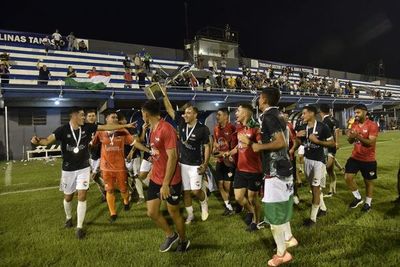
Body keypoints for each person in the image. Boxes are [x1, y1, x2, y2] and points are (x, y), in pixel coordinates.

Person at [30, 107, 135, 239]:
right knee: (68, 197)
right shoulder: (62, 130)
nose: (84, 118)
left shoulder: (88, 127)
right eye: (81, 115)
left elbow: (106, 127)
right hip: (68, 169)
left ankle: (79, 227)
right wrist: (37, 141)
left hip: (83, 167)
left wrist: (125, 125)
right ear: (73, 116)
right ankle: (69, 218)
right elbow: (46, 141)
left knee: (82, 195)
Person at [241, 87, 297, 266]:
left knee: (274, 216)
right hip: (284, 169)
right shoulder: (279, 115)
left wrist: (256, 146)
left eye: (259, 97)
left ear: (264, 99)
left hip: (275, 172)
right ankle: (289, 238)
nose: (258, 100)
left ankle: (282, 254)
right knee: (283, 207)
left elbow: (280, 142)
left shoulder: (269, 116)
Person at [141, 100, 190, 252]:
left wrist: (166, 184)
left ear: (146, 114)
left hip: (170, 181)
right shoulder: (152, 128)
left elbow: (173, 157)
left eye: (142, 112)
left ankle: (183, 241)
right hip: (156, 177)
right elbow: (157, 152)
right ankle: (171, 235)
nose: (142, 115)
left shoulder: (166, 128)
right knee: (152, 212)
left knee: (173, 212)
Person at [162, 88, 211, 224]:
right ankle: (190, 215)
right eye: (185, 112)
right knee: (186, 192)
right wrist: (165, 95)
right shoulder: (182, 122)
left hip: (196, 164)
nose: (185, 114)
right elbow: (170, 110)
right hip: (183, 163)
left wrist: (205, 164)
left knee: (196, 191)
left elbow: (207, 146)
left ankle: (204, 202)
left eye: (189, 113)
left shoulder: (203, 129)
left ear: (195, 115)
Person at [92, 110, 139, 222]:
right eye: (113, 117)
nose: (115, 119)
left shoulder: (122, 130)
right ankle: (113, 213)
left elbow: (134, 142)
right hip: (106, 167)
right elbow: (93, 144)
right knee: (110, 190)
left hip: (120, 167)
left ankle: (126, 201)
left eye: (116, 117)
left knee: (123, 190)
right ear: (107, 119)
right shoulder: (100, 131)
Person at [294, 105, 335, 227]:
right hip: (307, 160)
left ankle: (312, 219)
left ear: (312, 114)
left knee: (316, 189)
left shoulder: (323, 127)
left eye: (304, 113)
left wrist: (318, 142)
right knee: (313, 187)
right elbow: (299, 143)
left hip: (319, 161)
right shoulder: (302, 127)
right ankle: (323, 209)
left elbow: (332, 143)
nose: (302, 116)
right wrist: (297, 138)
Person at [225, 104, 262, 231]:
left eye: (238, 111)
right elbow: (239, 146)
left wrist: (249, 142)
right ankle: (251, 212)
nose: (235, 113)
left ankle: (256, 222)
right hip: (240, 169)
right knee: (239, 197)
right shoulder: (240, 129)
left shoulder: (256, 129)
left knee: (252, 198)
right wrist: (229, 153)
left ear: (245, 113)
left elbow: (261, 147)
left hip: (254, 170)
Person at [345, 104, 379, 212]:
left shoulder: (372, 125)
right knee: (348, 177)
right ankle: (358, 197)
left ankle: (368, 203)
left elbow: (370, 143)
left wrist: (358, 136)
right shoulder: (354, 124)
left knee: (368, 182)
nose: (356, 115)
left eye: (358, 112)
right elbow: (350, 141)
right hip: (355, 157)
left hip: (368, 159)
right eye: (355, 113)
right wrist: (350, 136)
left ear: (365, 112)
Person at [213, 107, 237, 216]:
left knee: (228, 186)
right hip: (220, 160)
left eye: (219, 115)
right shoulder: (216, 129)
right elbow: (215, 141)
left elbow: (236, 145)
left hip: (229, 161)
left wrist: (229, 154)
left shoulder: (232, 128)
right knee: (220, 184)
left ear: (226, 116)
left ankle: (235, 203)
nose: (217, 117)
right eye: (217, 115)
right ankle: (228, 206)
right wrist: (215, 147)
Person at [319, 104, 340, 197]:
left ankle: (319, 189)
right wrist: (337, 142)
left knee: (326, 168)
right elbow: (337, 131)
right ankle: (332, 190)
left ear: (320, 112)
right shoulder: (334, 120)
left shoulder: (324, 121)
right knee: (330, 170)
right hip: (333, 146)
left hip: (327, 146)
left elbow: (325, 134)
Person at [86, 110, 106, 202]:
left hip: (101, 155)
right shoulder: (84, 128)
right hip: (90, 157)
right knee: (96, 177)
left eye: (93, 115)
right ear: (86, 117)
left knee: (98, 175)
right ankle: (105, 192)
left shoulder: (100, 126)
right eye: (89, 116)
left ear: (96, 116)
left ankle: (107, 192)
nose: (91, 117)